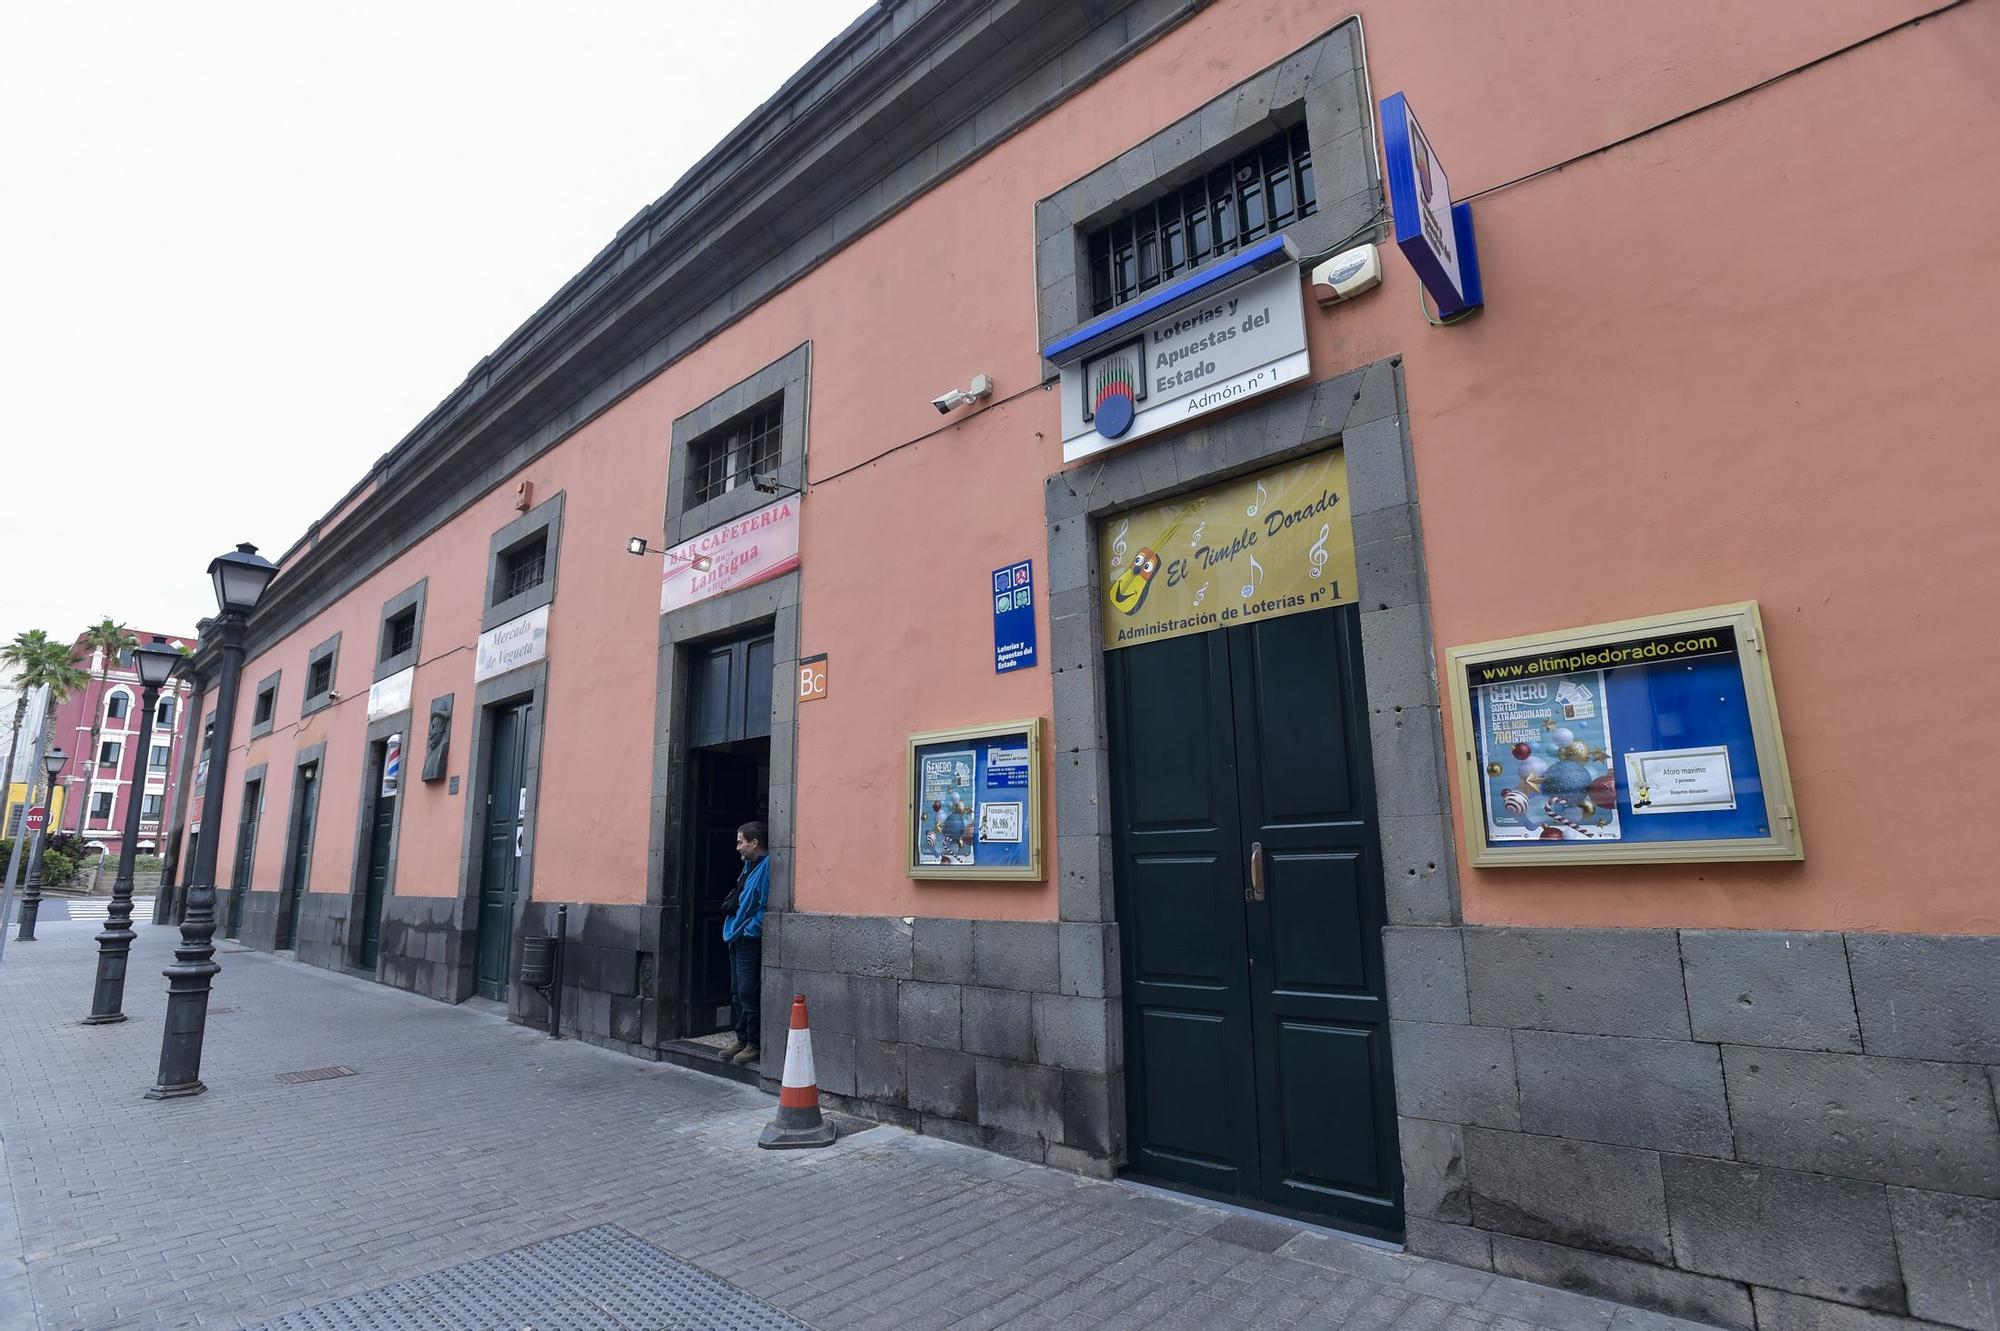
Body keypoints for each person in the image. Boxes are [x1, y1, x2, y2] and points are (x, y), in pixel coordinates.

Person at [719, 820, 769, 1066]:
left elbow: (764, 904)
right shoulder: (748, 866)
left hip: (748, 937)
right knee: (737, 990)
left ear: (754, 843)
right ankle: (741, 1038)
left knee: (748, 991)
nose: (737, 847)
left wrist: (750, 930)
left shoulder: (766, 866)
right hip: (736, 934)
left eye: (741, 842)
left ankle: (753, 1043)